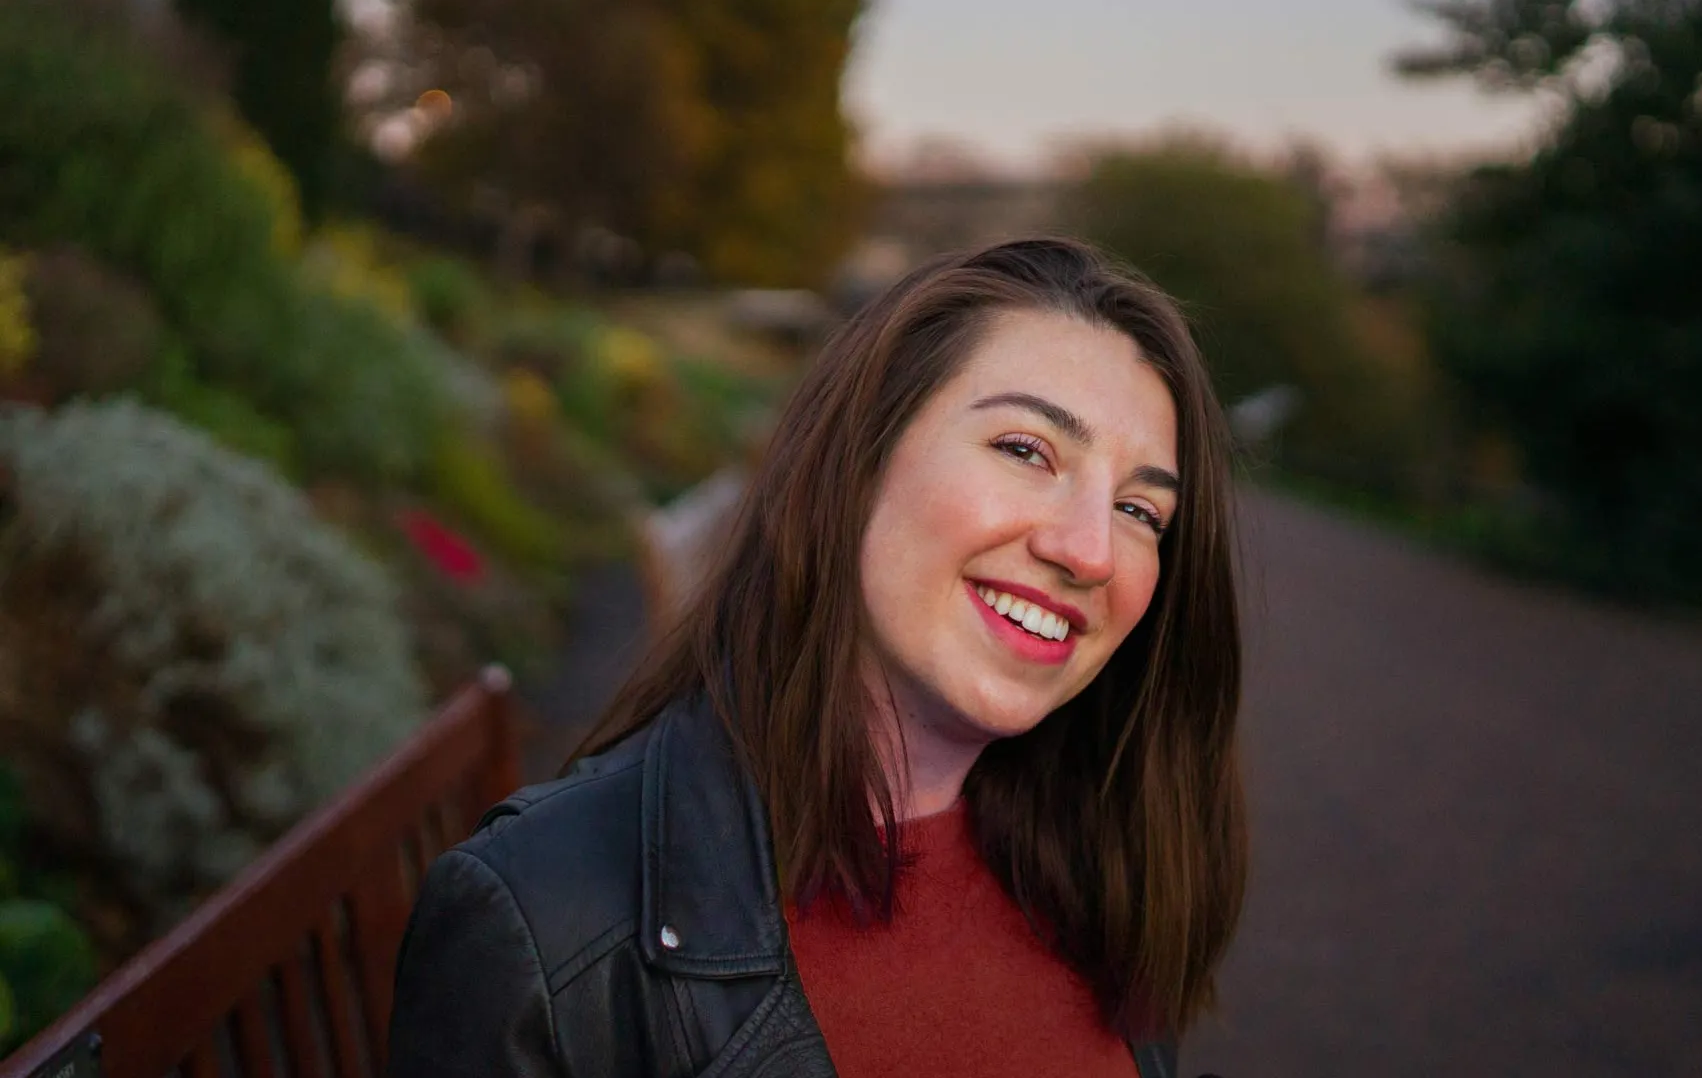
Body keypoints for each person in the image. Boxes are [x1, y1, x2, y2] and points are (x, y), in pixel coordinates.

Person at [386, 236, 1247, 1078]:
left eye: (1141, 512)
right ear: (860, 459)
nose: (1090, 551)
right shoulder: (546, 924)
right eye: (1026, 451)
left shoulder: (1113, 868)